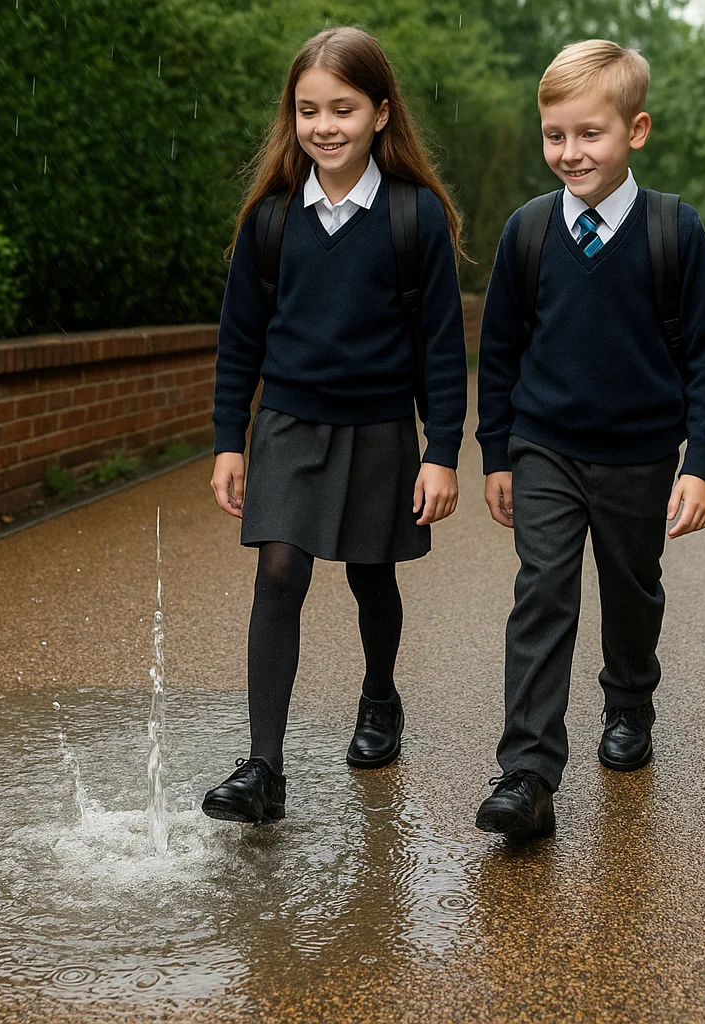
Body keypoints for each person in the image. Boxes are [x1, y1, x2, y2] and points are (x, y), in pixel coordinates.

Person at [473, 39, 705, 839]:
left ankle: (629, 700)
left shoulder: (673, 230)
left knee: (632, 590)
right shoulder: (526, 234)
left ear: (637, 130)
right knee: (542, 593)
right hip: (546, 446)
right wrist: (496, 454)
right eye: (555, 134)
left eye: (590, 133)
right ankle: (528, 772)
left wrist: (703, 463)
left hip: (641, 452)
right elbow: (499, 354)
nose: (570, 152)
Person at [201, 26, 469, 825]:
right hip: (288, 424)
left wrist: (442, 451)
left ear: (381, 114)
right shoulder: (272, 220)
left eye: (343, 110)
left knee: (369, 573)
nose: (325, 126)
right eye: (308, 109)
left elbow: (442, 351)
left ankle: (380, 694)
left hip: (381, 428)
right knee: (279, 569)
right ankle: (264, 767)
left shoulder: (413, 218)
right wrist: (227, 439)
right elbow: (239, 339)